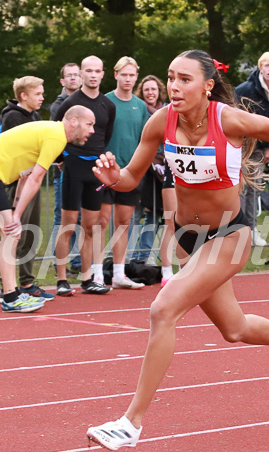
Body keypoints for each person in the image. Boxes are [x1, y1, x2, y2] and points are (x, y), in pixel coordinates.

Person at [85, 50, 269, 451]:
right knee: (233, 329)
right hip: (187, 237)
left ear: (208, 86)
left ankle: (131, 423)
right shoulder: (160, 121)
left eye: (185, 79)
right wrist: (116, 178)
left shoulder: (228, 120)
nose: (175, 87)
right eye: (171, 77)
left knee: (163, 309)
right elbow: (131, 177)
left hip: (230, 235)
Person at [0, 106, 95, 312]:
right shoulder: (56, 137)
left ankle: (9, 290)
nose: (92, 130)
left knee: (9, 233)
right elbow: (36, 178)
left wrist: (16, 208)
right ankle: (10, 297)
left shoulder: (51, 133)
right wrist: (16, 216)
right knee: (12, 233)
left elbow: (25, 175)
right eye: (89, 124)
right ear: (73, 122)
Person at [54, 55, 116, 296]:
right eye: (88, 70)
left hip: (96, 170)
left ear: (102, 74)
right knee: (67, 224)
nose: (92, 75)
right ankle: (61, 279)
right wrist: (61, 160)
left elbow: (105, 135)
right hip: (73, 168)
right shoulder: (70, 102)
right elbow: (54, 131)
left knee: (91, 226)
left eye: (97, 71)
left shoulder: (108, 105)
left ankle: (87, 278)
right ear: (81, 73)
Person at [0, 76, 54, 302]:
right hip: (17, 183)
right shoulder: (12, 117)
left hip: (33, 180)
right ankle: (8, 285)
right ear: (24, 95)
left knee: (31, 231)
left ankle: (27, 282)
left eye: (42, 93)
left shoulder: (36, 116)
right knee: (16, 233)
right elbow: (21, 150)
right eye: (38, 94)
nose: (42, 97)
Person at [99, 57, 150, 289]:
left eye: (132, 75)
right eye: (124, 74)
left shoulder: (140, 106)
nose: (128, 79)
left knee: (124, 222)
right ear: (116, 74)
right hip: (106, 172)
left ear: (136, 77)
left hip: (130, 174)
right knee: (101, 221)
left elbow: (145, 140)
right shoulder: (105, 101)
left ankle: (119, 273)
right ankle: (97, 272)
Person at [234, 51, 269, 247]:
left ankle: (251, 230)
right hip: (240, 147)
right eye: (266, 66)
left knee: (255, 189)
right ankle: (237, 231)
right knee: (239, 190)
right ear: (260, 68)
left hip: (262, 149)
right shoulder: (245, 89)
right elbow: (233, 117)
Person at [133, 74, 174, 285]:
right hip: (146, 167)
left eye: (153, 89)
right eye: (146, 89)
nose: (150, 93)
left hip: (166, 167)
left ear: (159, 91)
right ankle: (138, 255)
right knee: (143, 212)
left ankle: (156, 258)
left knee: (165, 216)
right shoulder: (140, 112)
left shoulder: (169, 110)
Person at [50, 63, 83, 276]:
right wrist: (61, 158)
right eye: (68, 76)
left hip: (85, 168)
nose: (73, 78)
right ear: (62, 81)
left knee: (83, 217)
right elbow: (55, 134)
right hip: (64, 170)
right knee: (62, 217)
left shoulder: (88, 102)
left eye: (76, 75)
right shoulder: (58, 105)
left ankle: (79, 261)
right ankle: (58, 262)